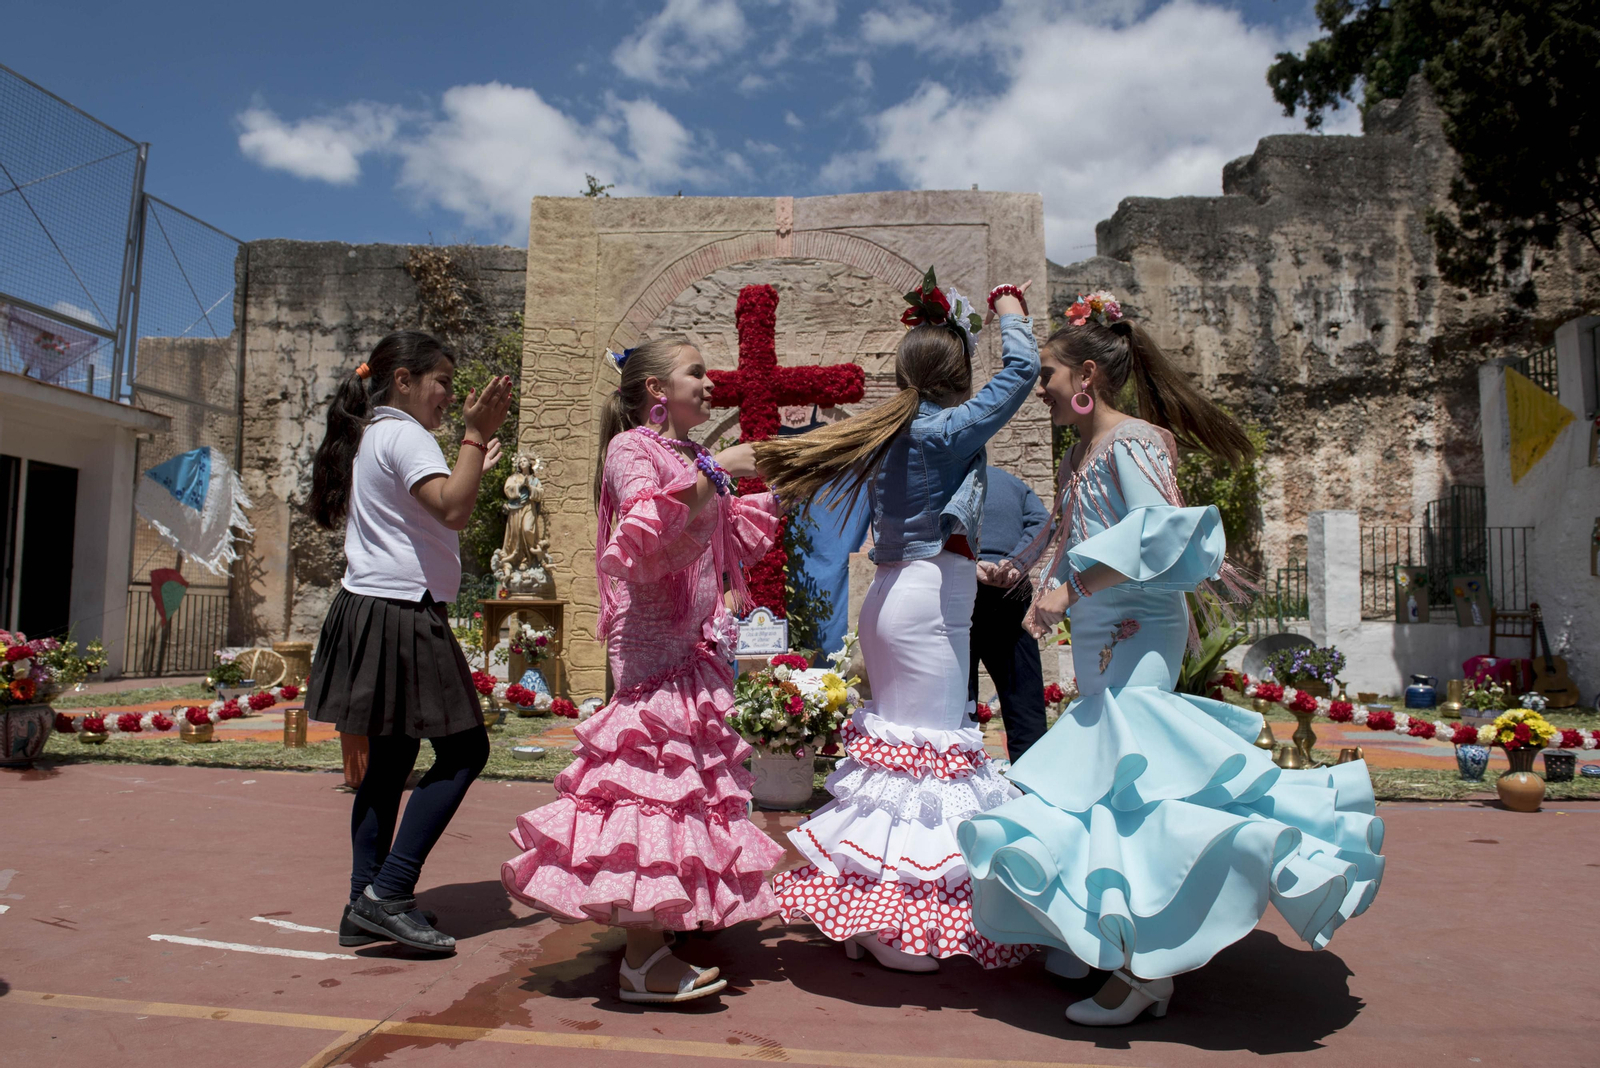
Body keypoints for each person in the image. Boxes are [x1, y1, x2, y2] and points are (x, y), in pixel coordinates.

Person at [958, 293, 1385, 1025]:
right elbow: (1063, 533)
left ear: (1087, 372)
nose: (1043, 388)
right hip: (1097, 635)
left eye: (1049, 374)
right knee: (1104, 790)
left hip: (1134, 630)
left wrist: (1075, 588)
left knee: (1135, 793)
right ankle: (1111, 934)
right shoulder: (1084, 450)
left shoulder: (1134, 442)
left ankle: (1145, 973)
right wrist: (1012, 572)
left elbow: (1167, 537)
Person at [755, 272, 1038, 973]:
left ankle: (867, 914)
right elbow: (1026, 369)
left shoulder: (893, 430)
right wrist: (1009, 307)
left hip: (892, 594)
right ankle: (891, 928)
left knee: (900, 762)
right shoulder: (945, 427)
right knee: (927, 761)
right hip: (927, 597)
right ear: (956, 374)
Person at [499, 336, 785, 1005]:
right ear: (657, 390)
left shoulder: (687, 454)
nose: (709, 383)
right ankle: (640, 957)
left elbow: (711, 535)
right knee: (649, 782)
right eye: (696, 373)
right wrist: (720, 472)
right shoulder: (632, 449)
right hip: (656, 645)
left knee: (687, 783)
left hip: (696, 643)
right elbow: (646, 529)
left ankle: (669, 913)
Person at [305, 330, 514, 954]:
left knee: (390, 765)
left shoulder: (378, 432)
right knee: (465, 751)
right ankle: (388, 894)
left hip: (371, 607)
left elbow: (438, 507)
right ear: (403, 380)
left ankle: (360, 903)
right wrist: (473, 438)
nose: (451, 395)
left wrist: (472, 457)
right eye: (443, 382)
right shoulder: (404, 433)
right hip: (400, 612)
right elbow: (453, 509)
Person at [968, 467, 1049, 763]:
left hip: (957, 587)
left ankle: (958, 784)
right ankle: (1032, 788)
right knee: (1023, 696)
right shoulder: (1013, 483)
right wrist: (1017, 562)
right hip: (1010, 589)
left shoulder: (945, 476)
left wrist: (970, 562)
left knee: (958, 699)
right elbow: (1042, 523)